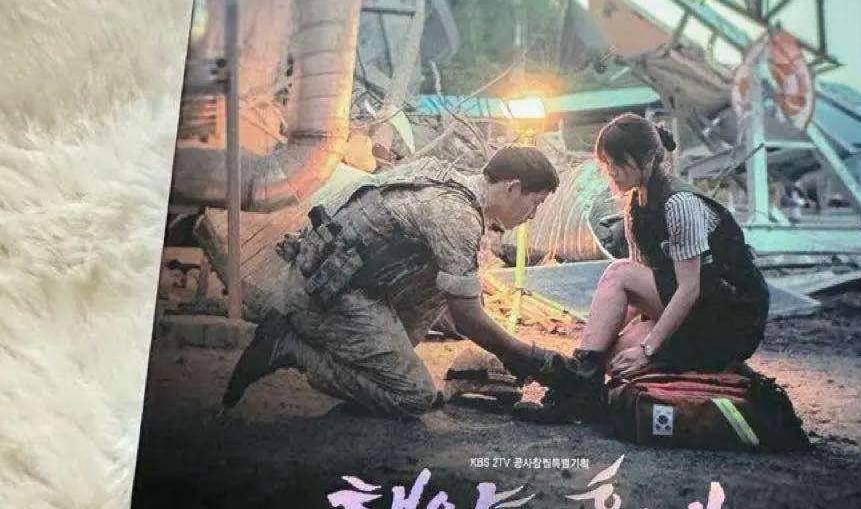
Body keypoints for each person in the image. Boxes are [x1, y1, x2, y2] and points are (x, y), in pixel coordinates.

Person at [223, 146, 577, 417]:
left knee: (452, 280)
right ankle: (290, 346)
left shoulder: (444, 178)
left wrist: (507, 351)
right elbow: (467, 318)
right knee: (413, 397)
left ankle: (377, 371)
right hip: (324, 295)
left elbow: (458, 302)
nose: (533, 215)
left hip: (348, 282)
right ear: (513, 188)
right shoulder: (456, 215)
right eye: (536, 203)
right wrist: (533, 357)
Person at [517, 114, 770, 422]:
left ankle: (580, 390)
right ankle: (580, 394)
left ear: (648, 159)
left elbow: (689, 288)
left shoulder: (680, 204)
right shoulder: (636, 204)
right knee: (614, 359)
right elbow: (638, 293)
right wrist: (603, 343)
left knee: (618, 272)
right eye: (606, 163)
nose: (612, 172)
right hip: (695, 312)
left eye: (619, 163)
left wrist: (648, 348)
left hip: (728, 321)